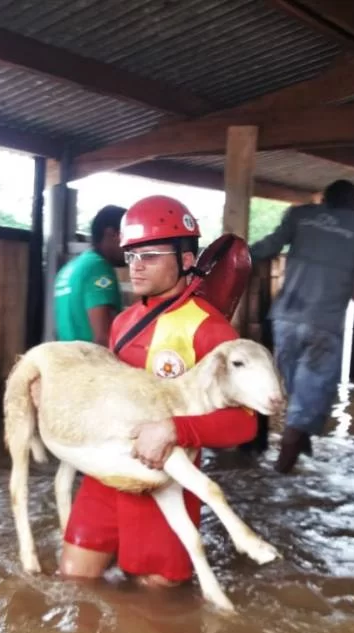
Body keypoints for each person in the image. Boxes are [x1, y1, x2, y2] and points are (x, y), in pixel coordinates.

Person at [60, 195, 258, 587]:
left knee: (157, 610)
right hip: (105, 474)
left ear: (187, 260)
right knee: (72, 581)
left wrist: (174, 430)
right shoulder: (122, 322)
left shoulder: (212, 331)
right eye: (132, 254)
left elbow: (244, 425)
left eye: (150, 255)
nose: (136, 266)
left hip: (164, 485)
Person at [249, 179, 354, 473]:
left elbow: (270, 245)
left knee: (296, 390)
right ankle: (281, 473)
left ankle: (298, 445)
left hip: (285, 318)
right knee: (310, 395)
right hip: (323, 324)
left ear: (325, 200)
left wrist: (239, 255)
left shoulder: (300, 216)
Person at [53, 205, 126, 346]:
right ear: (112, 234)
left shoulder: (69, 268)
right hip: (92, 364)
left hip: (67, 361)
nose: (132, 248)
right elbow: (103, 337)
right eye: (128, 239)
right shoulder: (99, 268)